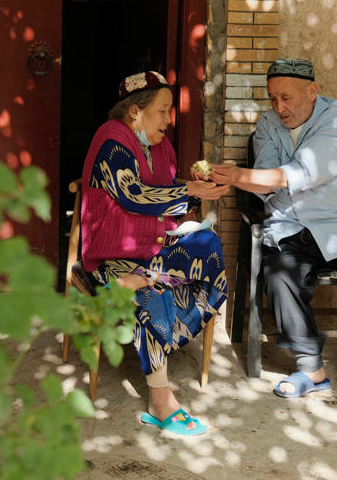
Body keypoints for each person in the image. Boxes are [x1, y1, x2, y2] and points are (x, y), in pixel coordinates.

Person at [210, 58, 337, 417]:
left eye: (286, 98)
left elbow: (300, 173)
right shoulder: (267, 125)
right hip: (292, 227)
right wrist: (249, 179)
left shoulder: (336, 121)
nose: (279, 108)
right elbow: (265, 181)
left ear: (312, 91)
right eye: (273, 99)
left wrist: (244, 177)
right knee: (279, 276)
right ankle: (312, 369)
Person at [80, 70, 230, 435]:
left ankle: (143, 277)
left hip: (154, 254)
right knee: (152, 294)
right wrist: (189, 192)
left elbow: (167, 190)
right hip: (114, 256)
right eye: (162, 110)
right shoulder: (110, 140)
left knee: (209, 246)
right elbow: (134, 194)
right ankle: (161, 400)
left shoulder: (160, 145)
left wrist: (192, 182)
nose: (169, 119)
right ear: (135, 111)